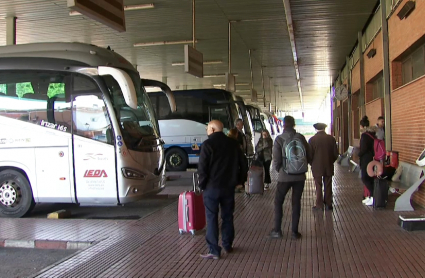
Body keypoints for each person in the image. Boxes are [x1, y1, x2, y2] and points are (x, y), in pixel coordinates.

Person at [198, 120, 248, 260]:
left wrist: (202, 185)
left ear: (213, 130)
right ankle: (227, 244)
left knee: (212, 217)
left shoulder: (207, 145)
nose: (207, 131)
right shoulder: (233, 144)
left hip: (211, 188)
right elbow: (244, 164)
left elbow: (202, 169)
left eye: (208, 128)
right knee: (227, 216)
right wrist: (240, 181)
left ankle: (214, 250)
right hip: (228, 187)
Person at [269, 115, 311, 240]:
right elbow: (308, 154)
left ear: (283, 125)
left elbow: (276, 159)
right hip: (300, 176)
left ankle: (277, 230)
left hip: (284, 176)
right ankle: (294, 232)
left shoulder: (279, 139)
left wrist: (280, 170)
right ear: (294, 125)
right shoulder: (301, 137)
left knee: (278, 202)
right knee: (296, 202)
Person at [308, 123, 339, 211]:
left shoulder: (312, 140)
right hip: (328, 165)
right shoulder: (331, 139)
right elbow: (335, 154)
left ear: (316, 129)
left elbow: (309, 155)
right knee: (328, 184)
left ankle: (319, 205)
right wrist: (330, 161)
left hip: (316, 166)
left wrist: (312, 163)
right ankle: (328, 204)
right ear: (324, 129)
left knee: (318, 185)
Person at [358, 116, 377, 206]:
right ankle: (370, 197)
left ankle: (373, 197)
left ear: (362, 126)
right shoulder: (372, 134)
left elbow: (363, 149)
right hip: (372, 158)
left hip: (366, 159)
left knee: (365, 178)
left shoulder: (364, 136)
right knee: (369, 178)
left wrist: (359, 154)